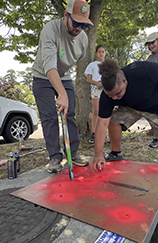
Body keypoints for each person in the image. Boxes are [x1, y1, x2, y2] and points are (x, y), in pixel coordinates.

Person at [89, 59, 158, 199]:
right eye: (110, 95)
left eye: (117, 94)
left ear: (124, 81)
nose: (114, 98)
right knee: (114, 119)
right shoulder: (108, 96)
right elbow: (101, 124)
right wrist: (98, 154)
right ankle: (116, 154)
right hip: (133, 107)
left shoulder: (142, 70)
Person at [32, 0, 93, 173]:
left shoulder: (83, 39)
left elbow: (72, 64)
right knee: (49, 117)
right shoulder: (50, 29)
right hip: (42, 76)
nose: (79, 28)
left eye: (83, 24)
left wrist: (65, 91)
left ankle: (72, 153)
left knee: (70, 115)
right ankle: (55, 157)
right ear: (66, 15)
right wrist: (61, 94)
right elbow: (50, 66)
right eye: (76, 23)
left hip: (65, 77)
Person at [84, 44, 106, 144]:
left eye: (103, 51)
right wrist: (97, 83)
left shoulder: (108, 65)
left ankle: (103, 133)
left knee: (105, 111)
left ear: (105, 53)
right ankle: (93, 132)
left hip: (106, 90)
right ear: (96, 53)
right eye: (99, 51)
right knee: (96, 111)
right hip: (96, 89)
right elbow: (88, 79)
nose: (101, 53)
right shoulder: (92, 65)